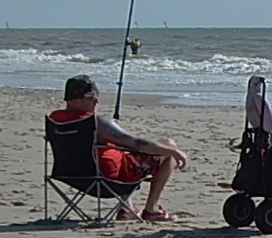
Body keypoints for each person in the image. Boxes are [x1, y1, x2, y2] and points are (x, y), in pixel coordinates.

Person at [48, 74, 188, 221]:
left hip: (71, 175)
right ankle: (151, 209)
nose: (96, 101)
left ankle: (127, 208)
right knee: (168, 147)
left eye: (96, 96)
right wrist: (175, 151)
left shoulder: (55, 120)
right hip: (107, 180)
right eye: (90, 97)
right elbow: (139, 144)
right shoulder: (95, 123)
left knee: (122, 153)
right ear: (75, 100)